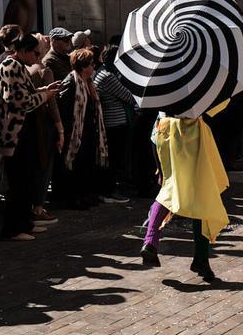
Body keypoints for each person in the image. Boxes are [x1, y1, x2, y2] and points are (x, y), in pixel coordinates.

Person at [139, 104, 231, 281]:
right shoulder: (198, 91)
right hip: (193, 140)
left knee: (167, 192)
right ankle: (201, 260)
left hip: (164, 134)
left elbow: (154, 138)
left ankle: (150, 241)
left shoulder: (164, 93)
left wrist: (160, 169)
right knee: (202, 198)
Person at [0, 32, 60, 240]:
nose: (37, 56)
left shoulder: (17, 66)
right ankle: (14, 228)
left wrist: (43, 90)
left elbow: (25, 94)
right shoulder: (11, 66)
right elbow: (20, 101)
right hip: (14, 133)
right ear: (23, 51)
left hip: (21, 131)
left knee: (27, 180)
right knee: (18, 183)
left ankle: (25, 223)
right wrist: (45, 95)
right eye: (35, 52)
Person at [55, 49, 109, 209]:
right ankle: (74, 198)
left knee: (86, 165)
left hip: (89, 130)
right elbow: (63, 106)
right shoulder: (71, 81)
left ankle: (85, 195)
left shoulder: (89, 82)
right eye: (92, 64)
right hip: (75, 132)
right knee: (75, 165)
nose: (94, 67)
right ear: (83, 66)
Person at [93, 43, 135, 201]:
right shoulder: (107, 76)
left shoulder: (103, 73)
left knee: (115, 159)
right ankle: (109, 191)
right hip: (114, 123)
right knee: (114, 159)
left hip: (113, 122)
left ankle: (111, 188)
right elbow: (128, 96)